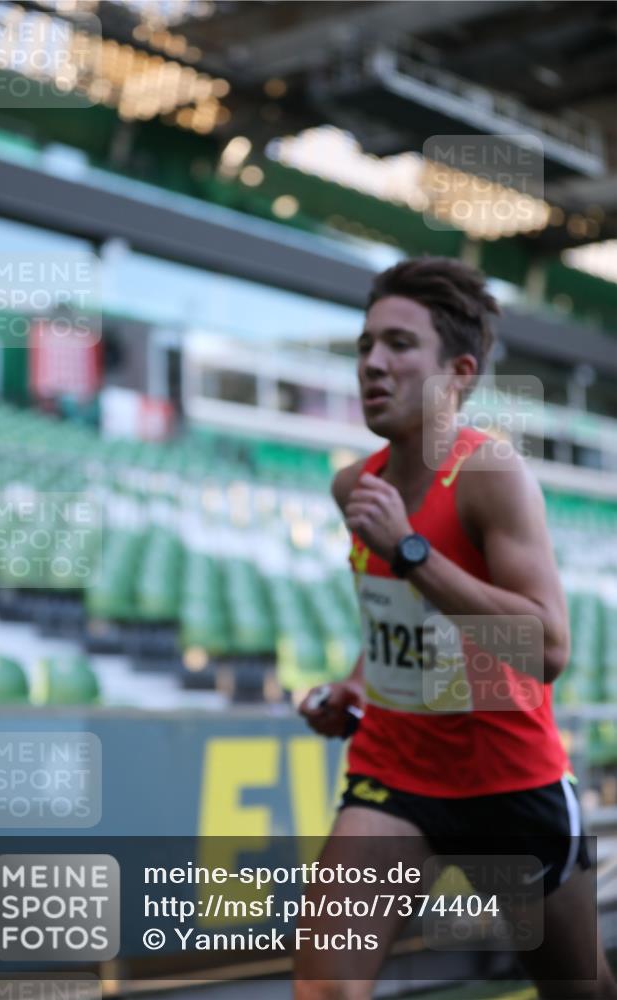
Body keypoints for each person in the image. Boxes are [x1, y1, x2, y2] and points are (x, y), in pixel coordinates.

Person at [296, 257, 616, 999]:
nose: (372, 363)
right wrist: (350, 686)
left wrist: (411, 550)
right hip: (393, 776)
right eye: (364, 344)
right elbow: (397, 619)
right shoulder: (356, 485)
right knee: (323, 991)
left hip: (508, 782)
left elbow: (545, 649)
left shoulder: (489, 476)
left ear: (458, 374)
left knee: (577, 991)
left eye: (400, 345)